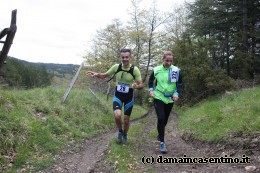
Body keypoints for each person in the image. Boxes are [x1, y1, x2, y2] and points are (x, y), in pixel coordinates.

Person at [86, 48, 143, 144]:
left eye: (126, 57)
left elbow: (141, 85)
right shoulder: (116, 67)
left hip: (129, 96)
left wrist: (136, 86)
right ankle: (120, 131)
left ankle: (125, 134)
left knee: (126, 120)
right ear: (120, 57)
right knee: (117, 115)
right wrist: (96, 74)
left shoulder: (134, 69)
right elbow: (105, 75)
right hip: (118, 95)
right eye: (123, 57)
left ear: (130, 57)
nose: (125, 59)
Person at [148, 51, 182, 153]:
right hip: (159, 96)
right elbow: (150, 81)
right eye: (167, 60)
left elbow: (179, 84)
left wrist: (177, 93)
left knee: (165, 119)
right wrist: (151, 90)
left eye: (170, 61)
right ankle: (162, 142)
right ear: (163, 59)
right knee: (161, 117)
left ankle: (160, 133)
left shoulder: (176, 70)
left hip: (170, 98)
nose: (168, 62)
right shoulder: (156, 70)